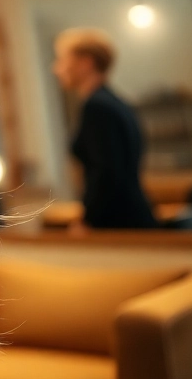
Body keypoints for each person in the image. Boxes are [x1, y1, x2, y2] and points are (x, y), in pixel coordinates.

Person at [52, 28, 158, 229]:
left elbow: (106, 173)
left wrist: (89, 219)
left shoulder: (97, 107)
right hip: (131, 214)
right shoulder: (114, 102)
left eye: (63, 60)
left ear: (86, 62)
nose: (56, 69)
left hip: (119, 222)